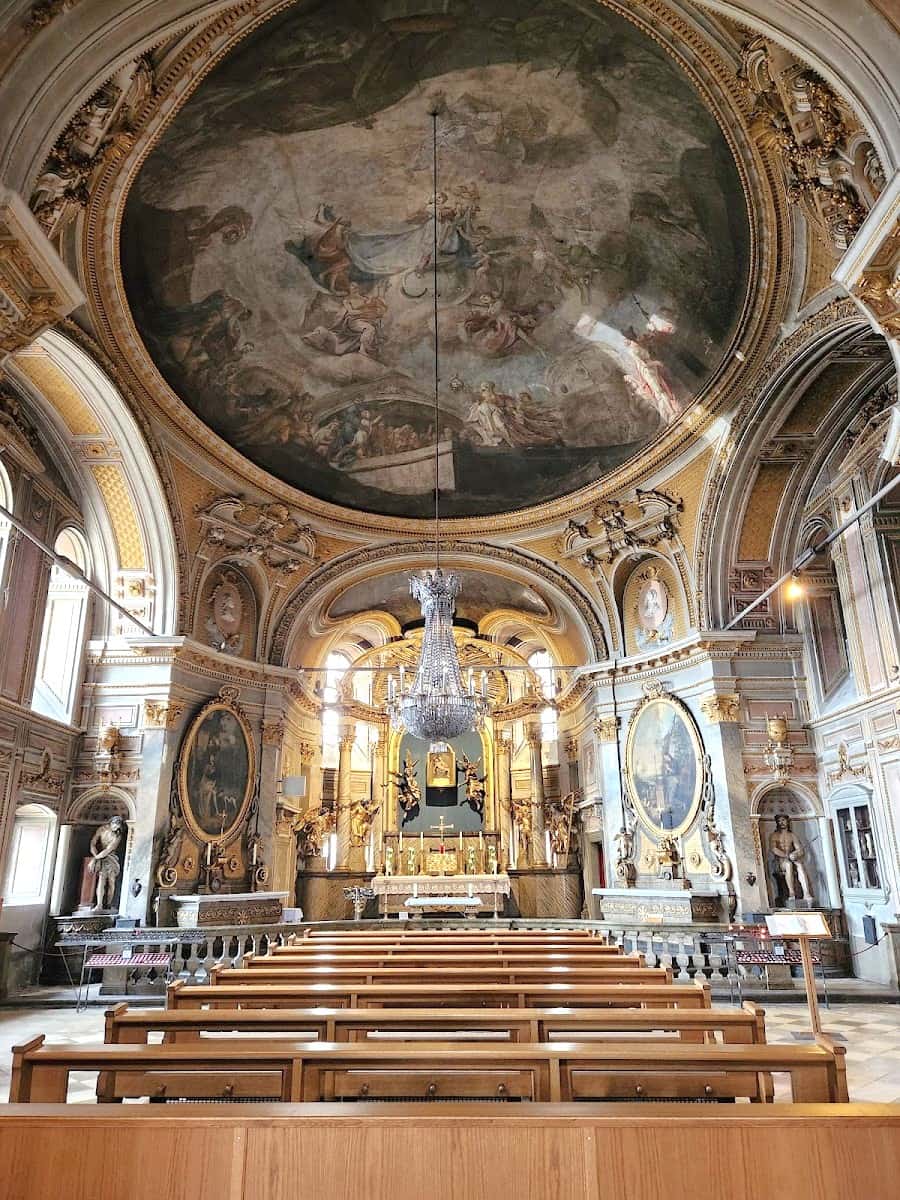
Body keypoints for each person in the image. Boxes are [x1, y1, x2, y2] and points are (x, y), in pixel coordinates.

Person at [88, 817, 124, 911]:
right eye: (115, 825)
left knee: (111, 881)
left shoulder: (117, 836)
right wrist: (95, 854)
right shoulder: (101, 829)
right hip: (100, 857)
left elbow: (108, 850)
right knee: (101, 880)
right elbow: (93, 843)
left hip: (111, 858)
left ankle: (109, 904)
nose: (116, 828)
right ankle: (99, 905)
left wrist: (95, 859)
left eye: (118, 826)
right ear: (111, 823)